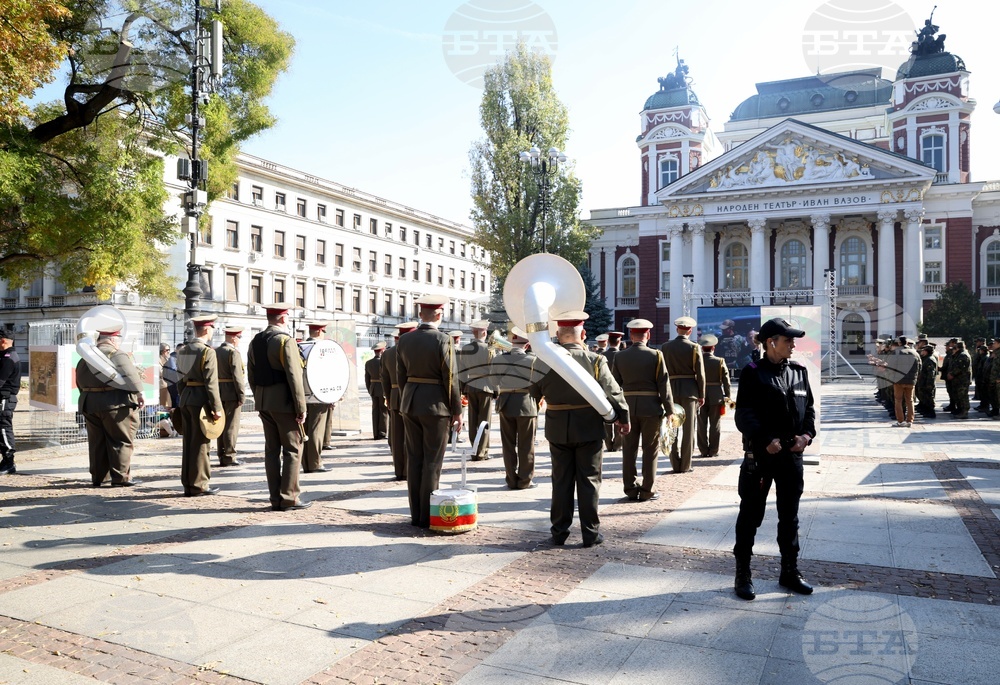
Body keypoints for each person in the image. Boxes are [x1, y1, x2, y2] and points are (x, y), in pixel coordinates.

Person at [733, 318, 816, 601]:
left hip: (791, 458)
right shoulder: (752, 372)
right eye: (788, 340)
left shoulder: (798, 371)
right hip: (761, 457)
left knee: (789, 518)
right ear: (771, 343)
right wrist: (764, 439)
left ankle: (789, 572)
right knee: (750, 516)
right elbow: (743, 414)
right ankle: (743, 573)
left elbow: (810, 411)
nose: (793, 345)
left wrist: (806, 436)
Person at [537, 311, 629, 547]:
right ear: (583, 334)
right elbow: (613, 391)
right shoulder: (595, 360)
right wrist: (623, 417)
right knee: (589, 481)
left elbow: (532, 391)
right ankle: (590, 533)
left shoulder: (544, 360)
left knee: (560, 481)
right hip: (589, 427)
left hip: (557, 428)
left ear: (558, 334)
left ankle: (559, 532)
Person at [396, 294, 463, 529]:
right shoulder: (443, 340)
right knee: (433, 461)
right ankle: (427, 515)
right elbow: (451, 377)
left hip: (411, 403)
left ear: (420, 314)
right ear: (439, 314)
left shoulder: (404, 341)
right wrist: (457, 410)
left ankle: (416, 515)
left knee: (414, 459)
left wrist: (407, 400)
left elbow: (400, 376)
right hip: (436, 406)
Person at [248, 303, 311, 510]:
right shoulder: (285, 341)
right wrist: (301, 407)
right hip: (284, 402)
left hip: (264, 401)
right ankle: (289, 497)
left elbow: (251, 374)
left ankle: (275, 497)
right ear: (284, 319)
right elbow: (294, 377)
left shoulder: (255, 341)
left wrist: (260, 395)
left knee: (272, 451)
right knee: (293, 449)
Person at [75, 324, 144, 486]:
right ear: (113, 339)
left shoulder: (85, 357)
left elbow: (79, 381)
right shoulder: (116, 354)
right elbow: (130, 376)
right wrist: (140, 393)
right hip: (116, 404)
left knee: (96, 442)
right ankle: (121, 478)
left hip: (90, 404)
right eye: (119, 339)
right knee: (120, 440)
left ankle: (100, 477)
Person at [611, 318, 671, 501]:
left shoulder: (620, 356)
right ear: (648, 335)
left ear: (631, 335)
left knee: (628, 450)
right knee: (650, 449)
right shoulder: (656, 355)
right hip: (651, 408)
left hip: (627, 408)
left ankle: (629, 488)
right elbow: (664, 384)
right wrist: (669, 410)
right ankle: (647, 490)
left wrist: (616, 412)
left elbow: (614, 386)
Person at [176, 315, 223, 496]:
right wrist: (216, 407)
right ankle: (199, 484)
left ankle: (188, 482)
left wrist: (183, 397)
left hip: (187, 398)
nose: (212, 332)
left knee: (188, 442)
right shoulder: (207, 352)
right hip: (201, 400)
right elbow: (211, 383)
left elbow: (179, 380)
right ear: (206, 329)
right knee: (202, 444)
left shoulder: (184, 350)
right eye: (212, 328)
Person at [490, 326, 542, 489]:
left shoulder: (498, 359)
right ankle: (525, 480)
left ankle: (511, 479)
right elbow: (540, 385)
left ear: (512, 341)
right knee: (527, 445)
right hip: (527, 404)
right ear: (527, 345)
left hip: (505, 404)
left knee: (508, 445)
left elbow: (492, 383)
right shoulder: (533, 360)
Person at [660, 316, 706, 473]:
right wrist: (702, 394)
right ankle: (686, 464)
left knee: (672, 428)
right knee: (688, 429)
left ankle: (674, 462)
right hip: (690, 391)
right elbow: (700, 374)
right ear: (690, 330)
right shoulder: (694, 347)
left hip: (670, 390)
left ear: (676, 329)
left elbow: (662, 372)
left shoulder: (665, 347)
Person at [381, 321, 418, 480]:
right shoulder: (415, 350)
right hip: (412, 395)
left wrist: (388, 397)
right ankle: (410, 469)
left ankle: (399, 470)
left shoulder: (387, 353)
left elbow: (384, 379)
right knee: (413, 435)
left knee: (397, 436)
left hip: (395, 396)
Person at [458, 319, 494, 460]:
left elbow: (461, 371)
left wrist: (463, 389)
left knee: (473, 419)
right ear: (484, 332)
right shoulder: (489, 349)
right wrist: (496, 390)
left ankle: (474, 449)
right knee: (484, 420)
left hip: (471, 385)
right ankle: (482, 451)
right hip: (486, 386)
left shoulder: (465, 348)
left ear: (474, 333)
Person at [302, 321, 333, 471]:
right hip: (319, 395)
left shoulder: (299, 347)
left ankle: (305, 463)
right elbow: (328, 373)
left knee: (304, 430)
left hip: (302, 394)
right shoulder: (323, 348)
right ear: (320, 332)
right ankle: (315, 463)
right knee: (316, 430)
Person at [215, 326, 246, 466]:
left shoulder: (215, 351)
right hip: (231, 392)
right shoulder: (233, 353)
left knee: (221, 425)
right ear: (233, 337)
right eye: (239, 337)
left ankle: (221, 454)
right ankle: (229, 456)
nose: (239, 340)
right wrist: (241, 395)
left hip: (218, 391)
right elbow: (237, 376)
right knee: (231, 426)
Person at [697, 334, 731, 458]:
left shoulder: (697, 361)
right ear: (713, 348)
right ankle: (713, 450)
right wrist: (727, 395)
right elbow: (726, 379)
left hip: (700, 395)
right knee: (715, 424)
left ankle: (703, 450)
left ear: (702, 348)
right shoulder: (719, 361)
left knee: (701, 424)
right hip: (716, 395)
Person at [0, 329, 21, 475]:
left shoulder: (9, 357)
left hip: (5, 399)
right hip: (3, 398)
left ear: (3, 341)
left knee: (3, 428)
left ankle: (9, 462)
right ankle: (5, 460)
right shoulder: (5, 356)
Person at [889, 336, 920, 427]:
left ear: (899, 343)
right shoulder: (915, 353)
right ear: (907, 343)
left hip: (899, 380)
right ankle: (910, 420)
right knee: (910, 400)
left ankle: (900, 421)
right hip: (911, 381)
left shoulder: (896, 352)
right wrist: (915, 377)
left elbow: (891, 366)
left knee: (898, 400)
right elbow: (920, 366)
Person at [602, 331, 625, 452]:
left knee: (607, 417)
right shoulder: (623, 356)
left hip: (604, 392)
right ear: (619, 341)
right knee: (620, 417)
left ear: (608, 341)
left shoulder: (601, 355)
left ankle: (608, 444)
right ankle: (617, 444)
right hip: (619, 391)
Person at [365, 341, 389, 440]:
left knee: (375, 411)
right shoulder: (384, 362)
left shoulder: (368, 363)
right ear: (382, 350)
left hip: (373, 388)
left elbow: (367, 379)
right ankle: (382, 432)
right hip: (383, 388)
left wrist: (370, 389)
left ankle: (375, 433)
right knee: (383, 410)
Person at [948, 339, 972, 419]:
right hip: (958, 379)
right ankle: (960, 410)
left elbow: (960, 367)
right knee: (958, 395)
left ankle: (964, 412)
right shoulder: (959, 354)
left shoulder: (963, 355)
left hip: (962, 380)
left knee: (962, 396)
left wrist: (952, 374)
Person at [916, 342, 939, 419]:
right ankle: (926, 411)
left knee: (929, 398)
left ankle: (931, 413)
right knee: (924, 398)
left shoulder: (930, 360)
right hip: (923, 382)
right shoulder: (926, 359)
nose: (921, 352)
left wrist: (929, 384)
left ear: (926, 351)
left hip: (927, 383)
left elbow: (931, 373)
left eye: (923, 350)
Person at [158, 343, 173, 410]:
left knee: (167, 406)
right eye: (167, 350)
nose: (168, 352)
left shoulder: (167, 359)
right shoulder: (157, 360)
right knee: (163, 406)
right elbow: (160, 373)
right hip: (161, 386)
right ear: (162, 351)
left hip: (166, 386)